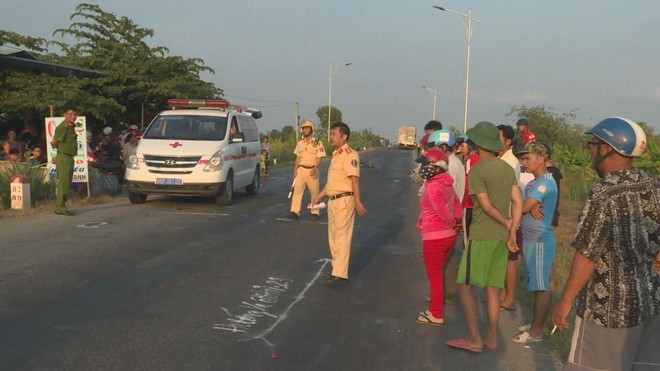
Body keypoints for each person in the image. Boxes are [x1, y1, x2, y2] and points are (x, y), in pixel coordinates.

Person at [552, 117, 659, 371]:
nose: (590, 150)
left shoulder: (603, 194)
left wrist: (566, 300)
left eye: (593, 144)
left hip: (607, 311)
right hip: (651, 301)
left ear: (605, 149)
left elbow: (587, 255)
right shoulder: (654, 186)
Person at [446, 121, 522, 353]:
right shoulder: (507, 168)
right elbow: (518, 201)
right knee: (492, 290)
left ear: (478, 144)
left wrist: (507, 222)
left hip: (482, 235)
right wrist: (512, 229)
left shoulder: (478, 169)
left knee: (464, 284)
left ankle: (474, 338)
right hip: (501, 238)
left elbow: (486, 207)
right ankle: (491, 337)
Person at [310, 121, 367, 285]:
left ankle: (340, 274)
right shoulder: (336, 155)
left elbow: (354, 180)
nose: (331, 137)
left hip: (344, 200)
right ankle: (336, 269)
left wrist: (358, 202)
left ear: (344, 136)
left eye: (334, 134)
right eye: (331, 133)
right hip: (332, 200)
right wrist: (319, 197)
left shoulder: (350, 155)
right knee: (333, 237)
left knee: (342, 237)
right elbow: (331, 183)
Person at [511, 141, 557, 343]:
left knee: (541, 287)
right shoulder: (532, 183)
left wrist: (526, 206)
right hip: (531, 239)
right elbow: (523, 204)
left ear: (541, 158)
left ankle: (537, 331)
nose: (523, 162)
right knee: (537, 282)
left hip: (539, 239)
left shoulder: (545, 182)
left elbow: (522, 205)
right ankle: (537, 324)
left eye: (527, 158)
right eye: (522, 158)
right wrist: (526, 206)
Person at [414, 148, 462, 326]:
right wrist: (456, 222)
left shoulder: (433, 187)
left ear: (436, 167)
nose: (423, 168)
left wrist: (450, 221)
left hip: (436, 237)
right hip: (448, 236)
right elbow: (456, 204)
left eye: (426, 164)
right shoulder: (446, 184)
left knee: (434, 275)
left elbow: (440, 211)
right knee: (438, 274)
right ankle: (436, 305)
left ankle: (436, 313)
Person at [497, 124, 522, 311]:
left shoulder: (510, 163)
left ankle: (510, 297)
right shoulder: (503, 159)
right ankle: (505, 294)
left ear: (508, 141)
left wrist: (512, 223)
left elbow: (513, 196)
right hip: (504, 215)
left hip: (508, 216)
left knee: (510, 260)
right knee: (504, 259)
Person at [289, 119, 326, 220]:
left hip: (312, 170)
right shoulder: (300, 143)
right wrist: (295, 171)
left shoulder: (317, 142)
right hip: (301, 169)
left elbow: (319, 157)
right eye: (303, 128)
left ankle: (315, 211)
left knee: (314, 192)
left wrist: (315, 168)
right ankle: (295, 211)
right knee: (297, 191)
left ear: (312, 129)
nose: (305, 130)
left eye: (307, 128)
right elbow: (298, 158)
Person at [51, 107, 79, 216]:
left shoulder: (71, 126)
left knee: (67, 182)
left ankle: (62, 205)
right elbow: (54, 142)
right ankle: (60, 207)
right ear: (65, 115)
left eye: (74, 114)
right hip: (64, 156)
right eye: (70, 114)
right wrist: (60, 152)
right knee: (63, 183)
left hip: (69, 156)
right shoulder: (63, 127)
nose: (73, 116)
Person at [428, 130, 465, 203]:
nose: (431, 151)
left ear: (443, 147)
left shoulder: (450, 166)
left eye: (434, 148)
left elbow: (447, 195)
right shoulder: (453, 162)